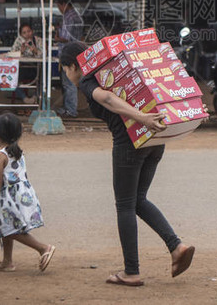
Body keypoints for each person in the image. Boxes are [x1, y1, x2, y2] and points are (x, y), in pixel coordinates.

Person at [59, 41, 195, 287]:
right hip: (155, 139)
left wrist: (141, 117)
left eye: (66, 70)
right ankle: (177, 247)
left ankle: (131, 271)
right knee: (138, 199)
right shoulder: (114, 69)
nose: (68, 76)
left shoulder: (91, 80)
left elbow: (108, 99)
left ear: (73, 66)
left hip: (130, 142)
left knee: (124, 205)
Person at [0, 112, 55, 273]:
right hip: (23, 196)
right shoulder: (17, 151)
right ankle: (7, 261)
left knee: (10, 228)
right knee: (6, 226)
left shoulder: (0, 156)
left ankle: (43, 248)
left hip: (10, 198)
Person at [55, 0, 84, 117]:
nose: (59, 9)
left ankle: (71, 110)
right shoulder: (77, 16)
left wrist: (57, 37)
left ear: (64, 4)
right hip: (76, 51)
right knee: (71, 81)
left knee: (68, 82)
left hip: (68, 52)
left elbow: (66, 38)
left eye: (58, 6)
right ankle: (69, 108)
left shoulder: (68, 17)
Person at [10, 23, 43, 104]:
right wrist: (21, 51)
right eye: (24, 33)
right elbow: (11, 54)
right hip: (22, 67)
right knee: (12, 78)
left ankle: (35, 96)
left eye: (29, 31)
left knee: (44, 77)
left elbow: (43, 55)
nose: (27, 34)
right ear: (21, 34)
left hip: (35, 67)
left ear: (32, 31)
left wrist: (35, 50)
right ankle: (24, 98)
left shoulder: (38, 40)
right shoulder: (19, 41)